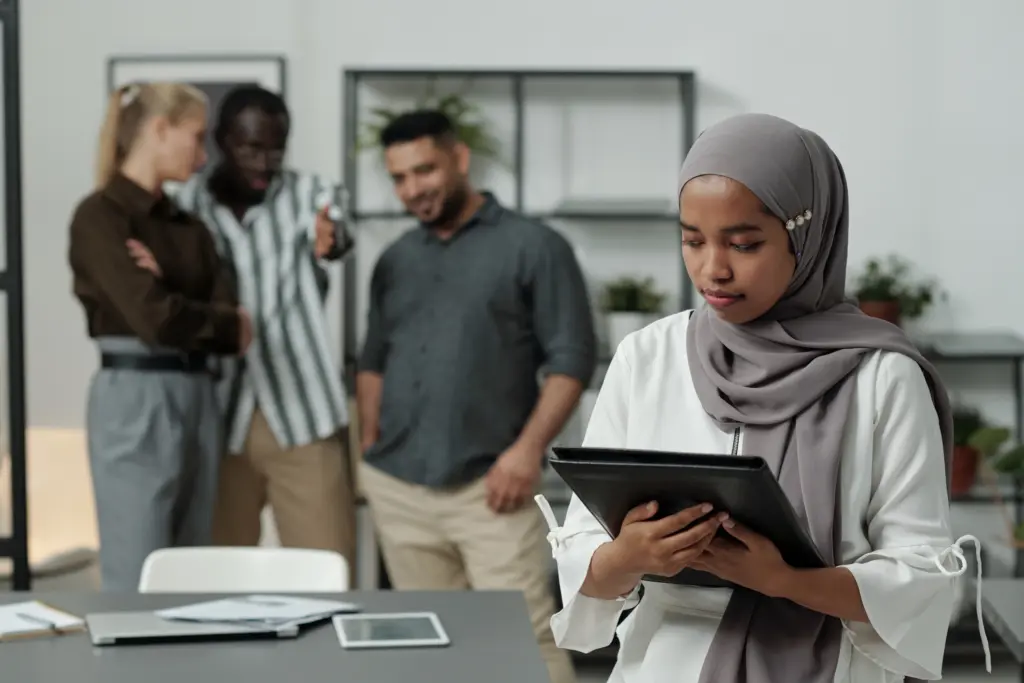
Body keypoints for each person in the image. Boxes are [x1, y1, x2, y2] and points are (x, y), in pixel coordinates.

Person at [542, 113, 983, 683]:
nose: (712, 269)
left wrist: (785, 582)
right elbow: (584, 554)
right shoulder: (646, 357)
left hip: (830, 667)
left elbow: (923, 579)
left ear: (808, 235)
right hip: (666, 665)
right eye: (691, 240)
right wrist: (629, 558)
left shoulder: (882, 376)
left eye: (744, 244)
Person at [357, 109, 594, 683]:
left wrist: (525, 453)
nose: (413, 189)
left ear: (459, 159)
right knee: (429, 642)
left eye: (425, 170)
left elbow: (571, 360)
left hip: (492, 489)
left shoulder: (535, 246)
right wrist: (372, 445)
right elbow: (373, 360)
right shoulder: (395, 260)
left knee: (525, 637)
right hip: (400, 488)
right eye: (400, 178)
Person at [130, 85, 357, 567]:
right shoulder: (184, 204)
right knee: (216, 578)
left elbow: (335, 230)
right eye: (250, 147)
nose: (263, 161)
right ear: (219, 140)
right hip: (217, 416)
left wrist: (330, 240)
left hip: (303, 415)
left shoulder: (310, 193)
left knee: (330, 572)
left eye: (276, 148)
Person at [68, 82, 252, 591]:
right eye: (195, 137)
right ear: (159, 129)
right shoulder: (98, 217)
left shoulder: (190, 227)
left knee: (193, 576)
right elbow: (155, 319)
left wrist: (165, 280)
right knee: (137, 575)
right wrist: (203, 314)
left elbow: (236, 328)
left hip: (199, 395)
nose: (202, 155)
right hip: (134, 396)